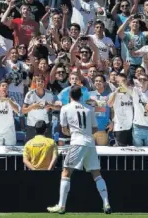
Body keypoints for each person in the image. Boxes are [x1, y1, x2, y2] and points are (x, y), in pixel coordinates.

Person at [47, 85, 111, 214]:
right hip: (90, 143)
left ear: (70, 95)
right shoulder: (89, 109)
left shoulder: (65, 108)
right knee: (96, 174)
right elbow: (94, 129)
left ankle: (61, 205)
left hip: (77, 142)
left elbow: (64, 129)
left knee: (66, 172)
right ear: (81, 96)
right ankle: (106, 203)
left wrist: (74, 132)